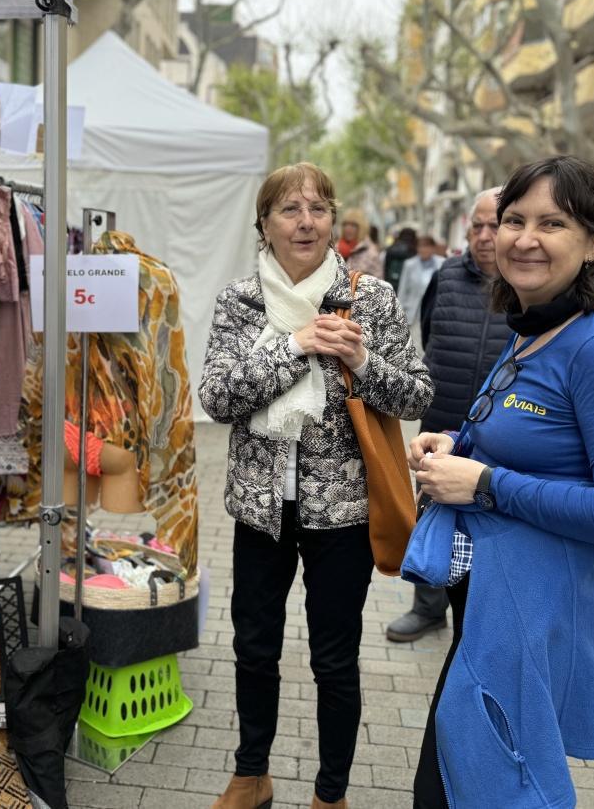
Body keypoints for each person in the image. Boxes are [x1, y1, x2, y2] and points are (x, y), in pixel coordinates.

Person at [403, 155, 594, 809]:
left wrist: (485, 483)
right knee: (457, 776)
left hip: (532, 611)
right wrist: (457, 446)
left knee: (487, 785)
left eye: (552, 222)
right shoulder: (536, 325)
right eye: (514, 219)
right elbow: (530, 437)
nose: (523, 237)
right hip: (493, 602)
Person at [200, 162, 433, 809]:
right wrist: (295, 345)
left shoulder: (372, 299)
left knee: (334, 660)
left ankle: (331, 794)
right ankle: (252, 774)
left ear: (334, 220)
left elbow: (416, 392)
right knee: (253, 648)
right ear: (264, 225)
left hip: (345, 516)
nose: (305, 222)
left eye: (318, 208)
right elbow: (217, 398)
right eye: (289, 210)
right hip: (259, 510)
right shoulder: (239, 302)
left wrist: (360, 359)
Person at [386, 188, 511, 643]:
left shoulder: (526, 284)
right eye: (476, 225)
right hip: (442, 416)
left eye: (494, 225)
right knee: (432, 510)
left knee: (487, 516)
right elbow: (428, 329)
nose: (483, 235)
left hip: (499, 428)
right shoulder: (448, 274)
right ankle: (427, 606)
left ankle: (480, 618)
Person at [396, 235, 444, 327]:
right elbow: (402, 290)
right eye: (420, 246)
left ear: (433, 248)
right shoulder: (409, 264)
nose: (423, 250)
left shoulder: (442, 264)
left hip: (434, 313)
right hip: (412, 314)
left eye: (427, 246)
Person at [336, 207, 382, 276]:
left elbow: (379, 283)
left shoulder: (371, 253)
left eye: (353, 225)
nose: (348, 229)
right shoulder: (335, 249)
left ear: (361, 228)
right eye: (345, 224)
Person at [383, 226, 417, 291]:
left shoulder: (392, 248)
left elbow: (386, 266)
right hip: (408, 283)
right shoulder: (413, 250)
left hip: (392, 280)